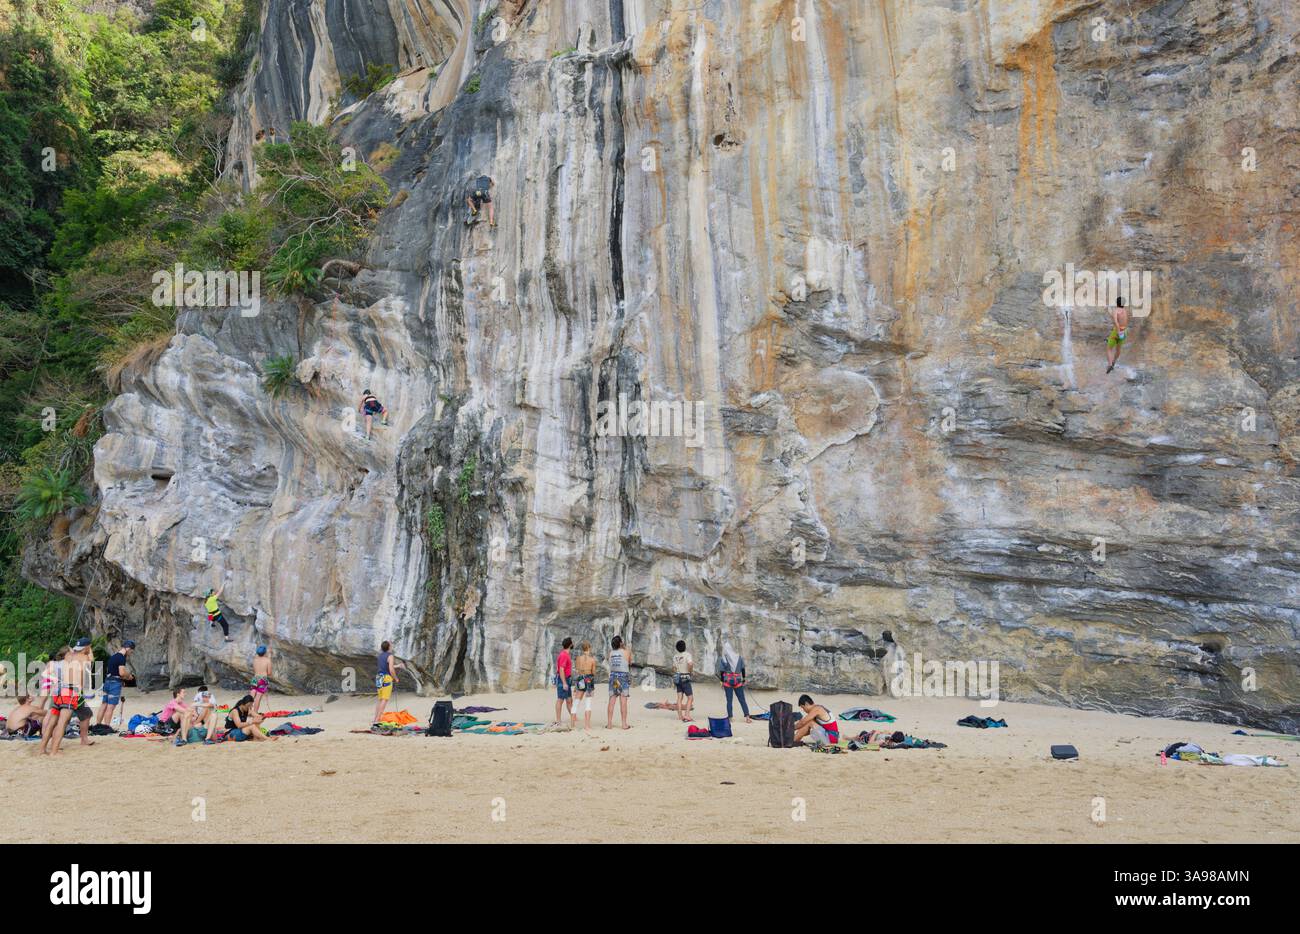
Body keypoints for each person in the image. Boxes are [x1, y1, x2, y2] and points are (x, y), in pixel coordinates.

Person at [41, 638, 95, 755]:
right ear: (86, 648)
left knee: (52, 722)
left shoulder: (68, 656)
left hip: (60, 691)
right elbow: (91, 660)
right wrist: (89, 649)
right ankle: (54, 752)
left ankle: (42, 750)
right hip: (70, 692)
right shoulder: (84, 657)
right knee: (62, 722)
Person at [95, 639, 135, 726]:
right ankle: (106, 727)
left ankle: (98, 725)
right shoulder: (121, 657)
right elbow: (121, 673)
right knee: (111, 706)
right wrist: (129, 676)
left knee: (104, 704)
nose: (130, 653)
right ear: (128, 648)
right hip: (115, 683)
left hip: (107, 681)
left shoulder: (113, 657)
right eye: (131, 651)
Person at [718, 641, 751, 722]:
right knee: (742, 699)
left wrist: (722, 681)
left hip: (727, 681)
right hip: (738, 680)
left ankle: (730, 718)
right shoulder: (738, 657)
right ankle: (747, 717)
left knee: (729, 701)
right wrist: (744, 678)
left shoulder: (724, 658)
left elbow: (722, 671)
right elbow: (743, 668)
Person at [372, 640, 403, 726]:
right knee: (385, 699)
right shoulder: (390, 656)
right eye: (391, 645)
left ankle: (375, 719)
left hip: (379, 677)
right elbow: (391, 670)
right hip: (386, 678)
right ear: (389, 647)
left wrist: (398, 666)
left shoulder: (380, 656)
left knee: (380, 699)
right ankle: (378, 720)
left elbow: (386, 666)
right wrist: (396, 678)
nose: (392, 646)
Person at [605, 635, 632, 730]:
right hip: (623, 677)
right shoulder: (626, 652)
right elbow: (629, 662)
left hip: (613, 677)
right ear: (621, 643)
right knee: (623, 701)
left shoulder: (610, 653)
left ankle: (609, 724)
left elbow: (610, 663)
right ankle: (624, 724)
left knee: (612, 700)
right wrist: (624, 648)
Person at [572, 641, 597, 731]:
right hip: (589, 679)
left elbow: (577, 671)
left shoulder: (578, 658)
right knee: (588, 702)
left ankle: (572, 724)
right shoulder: (592, 660)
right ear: (589, 648)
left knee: (576, 701)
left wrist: (576, 685)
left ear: (582, 649)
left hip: (580, 679)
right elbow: (593, 672)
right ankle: (587, 726)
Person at [553, 637, 575, 728]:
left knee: (569, 700)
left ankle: (573, 717)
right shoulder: (564, 655)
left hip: (567, 679)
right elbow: (561, 669)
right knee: (560, 700)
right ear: (570, 644)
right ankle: (558, 721)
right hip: (563, 680)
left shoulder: (565, 654)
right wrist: (564, 683)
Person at [1106, 296, 1129, 374]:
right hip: (1124, 331)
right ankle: (1114, 362)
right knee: (1118, 349)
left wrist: (1118, 332)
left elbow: (1116, 321)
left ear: (1117, 303)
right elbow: (1121, 319)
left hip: (1117, 331)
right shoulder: (1125, 311)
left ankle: (1110, 365)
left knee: (1109, 349)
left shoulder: (1115, 310)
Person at [250, 645, 273, 714]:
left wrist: (269, 654)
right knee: (258, 697)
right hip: (262, 680)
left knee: (251, 696)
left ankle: (248, 711)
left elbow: (254, 670)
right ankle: (255, 712)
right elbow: (269, 673)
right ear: (265, 652)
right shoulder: (268, 660)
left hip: (255, 679)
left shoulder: (255, 659)